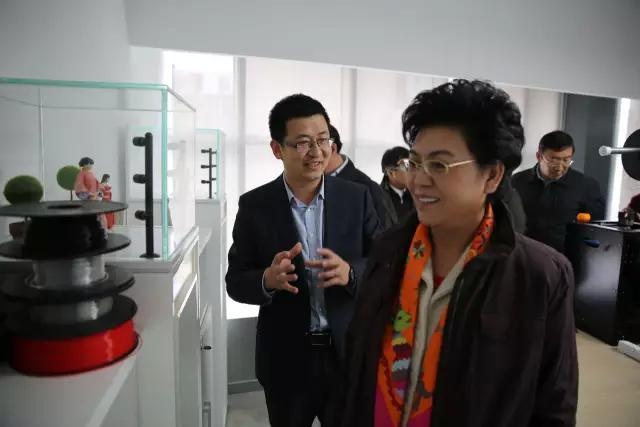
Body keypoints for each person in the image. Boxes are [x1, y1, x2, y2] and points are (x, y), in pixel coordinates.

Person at [342, 80, 578, 427]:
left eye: (439, 165)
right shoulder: (388, 251)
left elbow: (554, 404)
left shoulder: (540, 275)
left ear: (492, 175)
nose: (418, 180)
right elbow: (356, 370)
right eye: (414, 163)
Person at [226, 94, 381, 427]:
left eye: (323, 140)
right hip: (286, 360)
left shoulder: (357, 198)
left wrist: (351, 272)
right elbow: (235, 281)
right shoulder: (255, 206)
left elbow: (386, 264)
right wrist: (267, 280)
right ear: (277, 149)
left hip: (346, 357)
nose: (316, 152)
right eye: (302, 143)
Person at [512, 130, 605, 252]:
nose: (560, 167)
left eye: (566, 160)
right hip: (522, 254)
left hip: (565, 257)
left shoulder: (587, 186)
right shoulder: (516, 182)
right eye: (553, 160)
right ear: (539, 156)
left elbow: (596, 231)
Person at [325, 124, 394, 229]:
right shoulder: (307, 182)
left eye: (318, 144)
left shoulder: (368, 189)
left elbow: (381, 236)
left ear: (332, 149)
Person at [380, 147, 415, 222]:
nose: (412, 171)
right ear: (391, 172)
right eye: (407, 166)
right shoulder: (375, 198)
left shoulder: (419, 193)